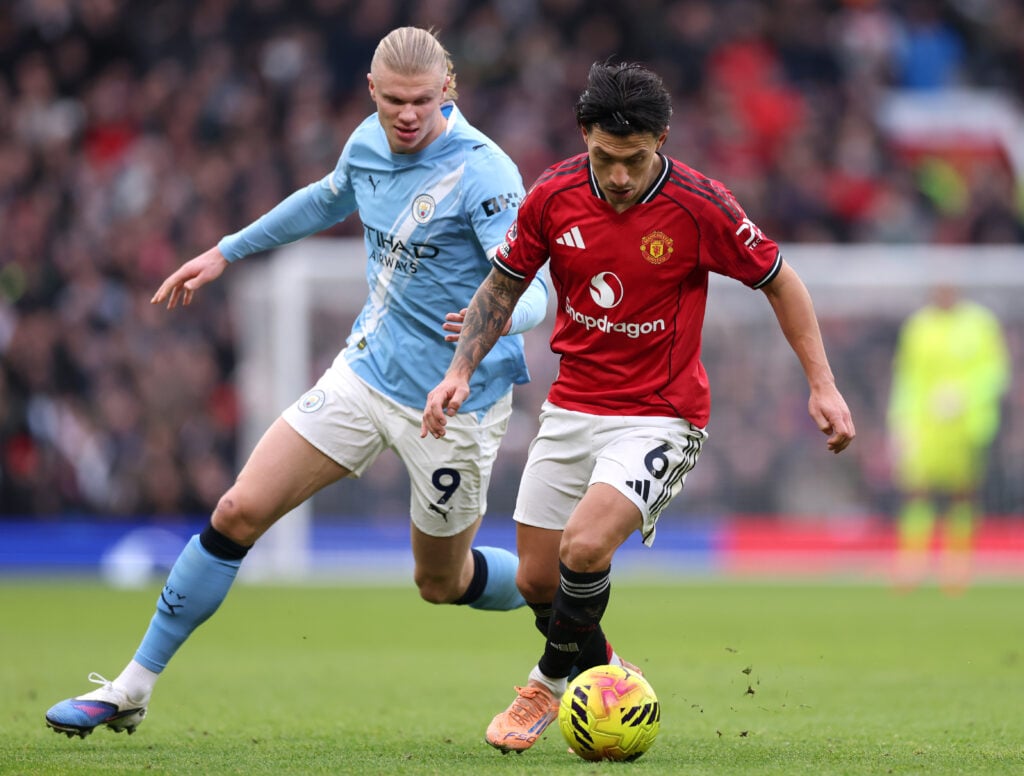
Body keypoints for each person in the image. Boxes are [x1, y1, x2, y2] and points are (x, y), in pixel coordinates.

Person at [45, 26, 551, 739]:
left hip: (453, 402)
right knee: (236, 511)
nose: (407, 116)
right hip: (364, 373)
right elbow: (324, 198)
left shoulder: (485, 172)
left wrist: (488, 321)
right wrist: (225, 252)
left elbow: (535, 291)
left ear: (449, 93)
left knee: (442, 583)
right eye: (393, 102)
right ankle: (132, 687)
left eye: (422, 102)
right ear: (372, 93)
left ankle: (557, 598)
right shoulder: (368, 143)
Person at [422, 61, 856, 754]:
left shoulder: (700, 204)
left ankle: (542, 685)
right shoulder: (553, 195)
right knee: (537, 577)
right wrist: (457, 372)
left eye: (634, 159)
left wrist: (823, 384)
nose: (618, 175)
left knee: (585, 546)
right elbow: (503, 285)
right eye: (604, 157)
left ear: (662, 140)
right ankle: (606, 674)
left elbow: (780, 280)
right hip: (571, 407)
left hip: (661, 413)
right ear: (584, 136)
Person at [887, 282, 1010, 592]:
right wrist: (899, 421)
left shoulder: (980, 324)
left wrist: (965, 398)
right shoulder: (918, 327)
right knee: (918, 490)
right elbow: (907, 377)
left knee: (963, 492)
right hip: (924, 424)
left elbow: (995, 372)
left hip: (967, 425)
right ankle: (912, 563)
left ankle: (957, 564)